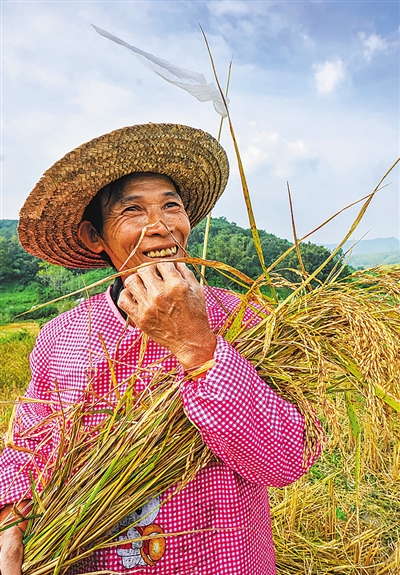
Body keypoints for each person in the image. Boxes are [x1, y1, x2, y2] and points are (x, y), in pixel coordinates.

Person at [0, 123, 323, 575]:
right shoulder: (63, 335)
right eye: (133, 210)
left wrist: (196, 345)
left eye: (172, 206)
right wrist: (10, 523)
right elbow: (29, 445)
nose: (161, 226)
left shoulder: (243, 318)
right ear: (95, 237)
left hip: (224, 561)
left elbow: (288, 460)